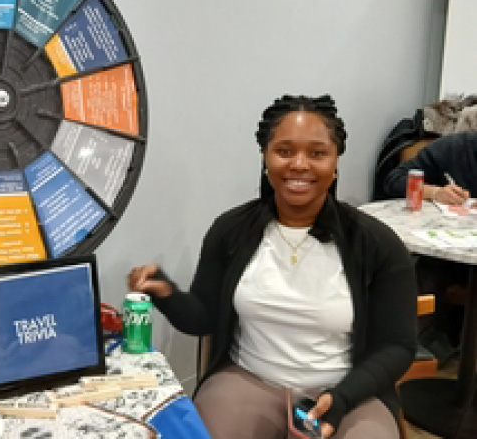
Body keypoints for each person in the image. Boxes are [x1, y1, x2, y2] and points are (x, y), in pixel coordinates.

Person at [129, 95, 417, 439]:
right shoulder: (231, 230)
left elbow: (397, 346)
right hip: (248, 380)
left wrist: (340, 399)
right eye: (284, 151)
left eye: (317, 153)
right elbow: (203, 317)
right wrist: (166, 292)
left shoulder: (376, 243)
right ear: (266, 158)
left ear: (335, 161)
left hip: (348, 391)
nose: (299, 164)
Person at [382, 130, 476, 359]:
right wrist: (434, 192)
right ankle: (421, 352)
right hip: (448, 252)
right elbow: (394, 180)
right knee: (422, 271)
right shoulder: (456, 147)